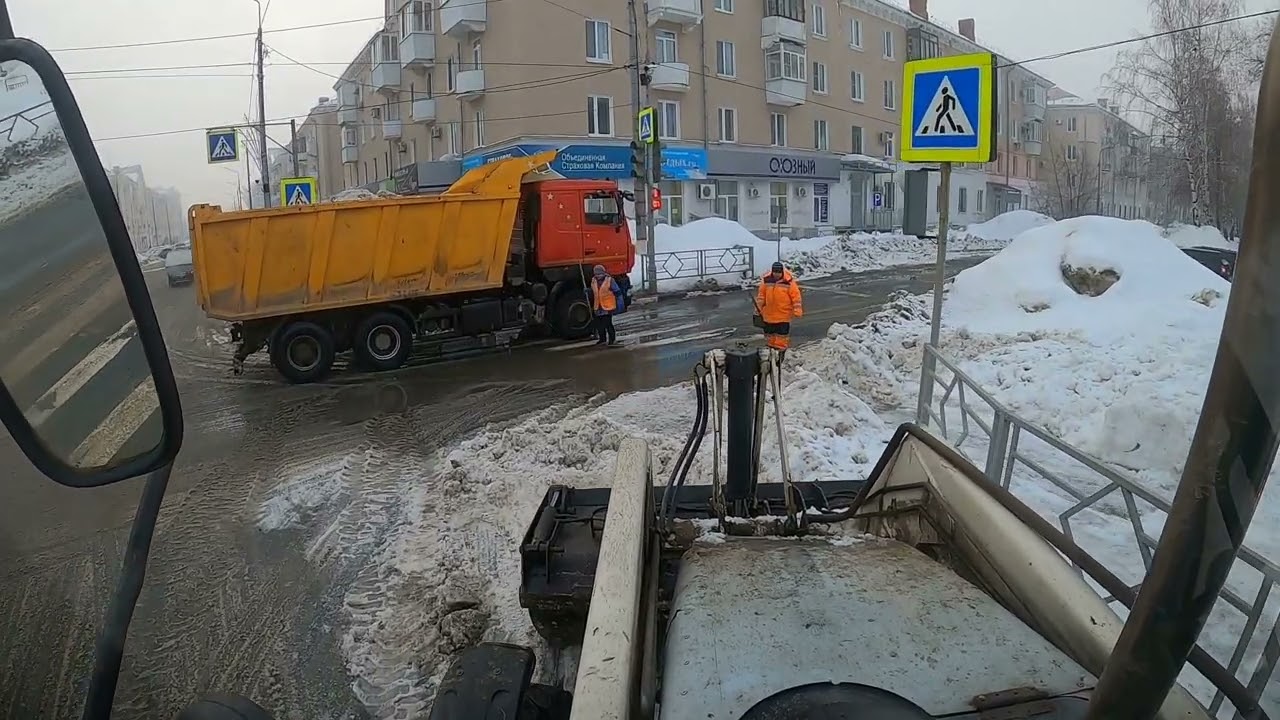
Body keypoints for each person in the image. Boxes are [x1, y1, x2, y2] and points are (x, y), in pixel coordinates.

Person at [755, 260, 803, 365]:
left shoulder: (788, 281)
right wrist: (758, 308)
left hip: (783, 316)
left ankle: (779, 358)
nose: (777, 274)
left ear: (782, 272)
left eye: (779, 272)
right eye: (775, 272)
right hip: (768, 316)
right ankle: (770, 357)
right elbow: (761, 296)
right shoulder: (766, 281)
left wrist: (797, 309)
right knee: (770, 338)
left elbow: (796, 297)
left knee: (781, 339)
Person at [589, 264, 624, 346]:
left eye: (600, 274)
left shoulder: (609, 280)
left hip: (607, 307)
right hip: (598, 307)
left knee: (608, 324)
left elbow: (617, 292)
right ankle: (602, 339)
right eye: (596, 274)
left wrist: (620, 303)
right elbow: (594, 291)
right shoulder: (593, 281)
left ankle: (612, 340)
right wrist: (588, 291)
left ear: (603, 273)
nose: (598, 276)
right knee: (599, 325)